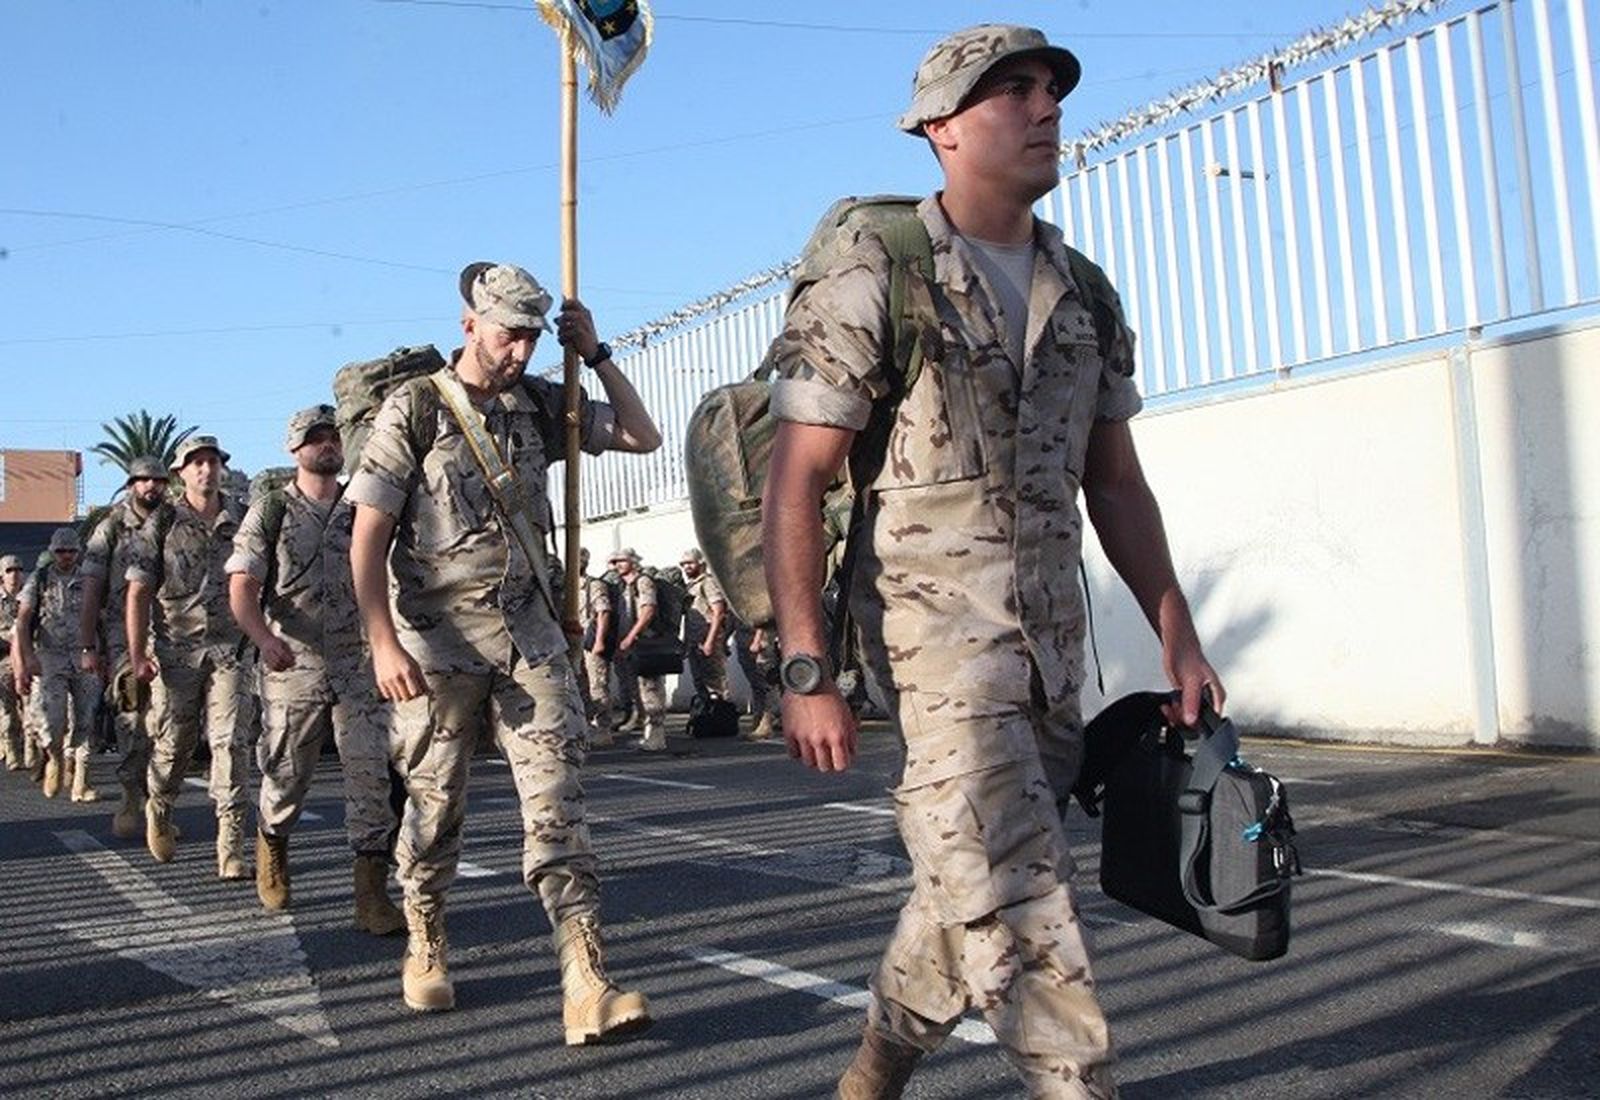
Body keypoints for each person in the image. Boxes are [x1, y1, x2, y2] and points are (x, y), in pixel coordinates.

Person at [761, 25, 1225, 1099]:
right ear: (939, 129)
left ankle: (873, 1067)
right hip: (938, 664)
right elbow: (796, 478)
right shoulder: (878, 274)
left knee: (961, 887)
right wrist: (804, 666)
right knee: (1021, 899)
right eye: (1008, 91)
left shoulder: (1085, 291)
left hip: (1050, 660)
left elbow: (1113, 481)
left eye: (1049, 87)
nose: (1042, 105)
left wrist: (1179, 636)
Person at [348, 261, 661, 1041]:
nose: (519, 351)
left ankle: (585, 976)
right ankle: (424, 932)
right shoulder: (414, 408)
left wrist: (595, 355)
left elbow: (640, 434)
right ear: (469, 326)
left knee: (559, 805)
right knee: (434, 803)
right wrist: (381, 641)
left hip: (530, 639)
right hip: (436, 646)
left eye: (529, 336)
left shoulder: (539, 402)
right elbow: (368, 535)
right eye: (507, 334)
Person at [226, 405, 406, 932]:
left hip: (360, 663)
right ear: (293, 448)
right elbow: (242, 587)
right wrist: (263, 639)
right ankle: (272, 843)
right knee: (286, 774)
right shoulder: (271, 510)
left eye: (332, 436)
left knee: (371, 774)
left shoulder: (364, 504)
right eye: (315, 438)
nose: (327, 445)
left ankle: (371, 893)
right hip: (294, 663)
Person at [126, 435, 255, 880]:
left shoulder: (242, 517)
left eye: (212, 461)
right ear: (181, 473)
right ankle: (159, 804)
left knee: (231, 742)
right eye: (195, 462)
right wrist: (137, 653)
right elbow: (139, 590)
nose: (205, 469)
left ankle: (231, 845)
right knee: (175, 743)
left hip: (231, 650)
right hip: (176, 651)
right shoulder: (162, 522)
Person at [79, 456, 174, 838]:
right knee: (132, 717)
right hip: (122, 634)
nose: (151, 486)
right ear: (132, 483)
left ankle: (161, 804)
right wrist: (88, 644)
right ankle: (131, 796)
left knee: (170, 723)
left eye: (158, 480)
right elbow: (91, 588)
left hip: (173, 631)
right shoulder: (112, 527)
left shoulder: (174, 520)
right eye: (144, 480)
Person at [13, 528, 103, 801]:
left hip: (84, 656)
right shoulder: (39, 580)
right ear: (53, 552)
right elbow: (22, 621)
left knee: (85, 720)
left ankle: (77, 775)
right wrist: (27, 659)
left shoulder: (90, 581)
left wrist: (105, 657)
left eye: (71, 551)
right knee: (51, 722)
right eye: (61, 551)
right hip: (50, 658)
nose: (66, 556)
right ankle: (54, 757)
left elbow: (104, 618)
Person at [609, 548, 667, 752]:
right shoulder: (625, 586)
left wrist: (631, 636)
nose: (617, 565)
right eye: (615, 562)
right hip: (632, 644)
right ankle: (649, 734)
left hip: (645, 643)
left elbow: (648, 611)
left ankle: (657, 737)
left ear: (633, 561)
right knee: (639, 690)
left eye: (622, 561)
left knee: (651, 690)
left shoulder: (643, 582)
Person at [576, 548, 617, 748]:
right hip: (575, 644)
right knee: (580, 686)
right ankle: (586, 726)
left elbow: (603, 612)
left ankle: (603, 728)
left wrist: (600, 640)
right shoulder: (569, 586)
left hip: (591, 642)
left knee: (597, 686)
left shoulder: (594, 585)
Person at [679, 547, 728, 701]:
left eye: (690, 563)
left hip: (708, 641)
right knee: (700, 684)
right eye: (684, 564)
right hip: (695, 642)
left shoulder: (708, 583)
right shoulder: (691, 585)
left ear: (700, 563)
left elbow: (718, 613)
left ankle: (720, 721)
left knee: (715, 687)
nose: (687, 567)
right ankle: (707, 722)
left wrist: (710, 642)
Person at [731, 621, 780, 742]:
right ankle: (758, 721)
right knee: (756, 684)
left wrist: (758, 640)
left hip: (762, 640)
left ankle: (765, 723)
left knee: (767, 683)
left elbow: (764, 616)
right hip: (744, 638)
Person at [0, 556, 26, 771]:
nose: (15, 573)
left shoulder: (30, 597)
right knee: (7, 709)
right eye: (9, 570)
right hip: (4, 659)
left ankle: (31, 751)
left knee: (31, 709)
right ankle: (11, 751)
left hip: (28, 658)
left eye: (18, 569)